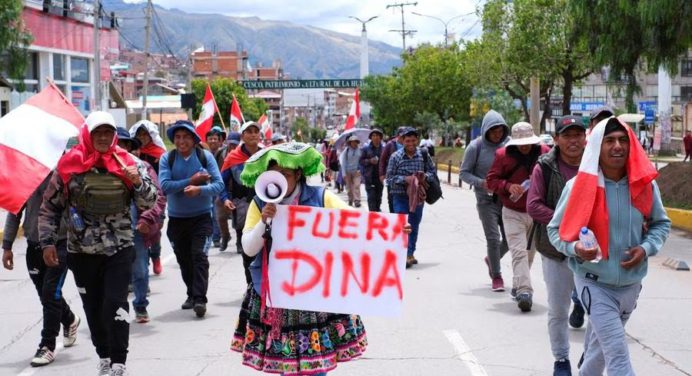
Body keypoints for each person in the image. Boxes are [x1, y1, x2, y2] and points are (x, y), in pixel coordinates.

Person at [231, 142, 381, 375]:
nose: (278, 180)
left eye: (285, 174)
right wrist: (264, 221)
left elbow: (358, 223)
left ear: (298, 173)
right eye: (273, 174)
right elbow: (249, 249)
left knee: (317, 363)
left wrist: (392, 230)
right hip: (278, 295)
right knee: (286, 363)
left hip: (315, 293)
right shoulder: (259, 202)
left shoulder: (321, 197)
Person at [548, 117, 671, 375]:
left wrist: (646, 248)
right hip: (594, 282)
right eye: (610, 141)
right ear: (596, 147)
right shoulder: (577, 187)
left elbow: (660, 224)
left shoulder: (645, 185)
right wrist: (575, 250)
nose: (618, 146)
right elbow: (555, 231)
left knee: (598, 353)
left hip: (631, 286)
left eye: (623, 140)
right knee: (617, 354)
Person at [38, 111, 158, 376]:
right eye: (97, 133)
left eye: (108, 132)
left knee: (115, 304)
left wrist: (137, 182)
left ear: (114, 135)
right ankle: (103, 355)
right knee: (93, 308)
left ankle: (119, 362)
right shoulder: (69, 165)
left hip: (119, 249)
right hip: (81, 251)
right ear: (88, 135)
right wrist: (47, 243)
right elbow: (49, 207)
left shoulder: (129, 163)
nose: (103, 138)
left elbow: (150, 201)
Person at [526, 115, 587, 375]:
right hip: (555, 250)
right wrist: (564, 223)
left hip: (591, 251)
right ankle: (561, 359)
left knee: (600, 311)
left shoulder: (597, 164)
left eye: (578, 135)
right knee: (558, 309)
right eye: (567, 136)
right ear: (557, 140)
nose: (573, 141)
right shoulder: (544, 167)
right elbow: (533, 205)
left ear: (585, 138)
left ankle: (590, 356)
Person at [3, 171, 80, 367]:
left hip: (60, 245)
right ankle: (70, 319)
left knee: (50, 294)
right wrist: (7, 246)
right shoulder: (24, 180)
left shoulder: (64, 176)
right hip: (34, 247)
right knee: (46, 295)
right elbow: (14, 213)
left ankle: (47, 345)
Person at [159, 120, 224, 318]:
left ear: (194, 139)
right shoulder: (167, 158)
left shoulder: (205, 157)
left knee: (199, 257)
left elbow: (219, 185)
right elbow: (165, 186)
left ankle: (200, 299)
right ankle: (191, 293)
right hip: (177, 220)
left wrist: (200, 190)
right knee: (185, 261)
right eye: (177, 137)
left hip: (202, 218)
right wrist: (191, 181)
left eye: (186, 137)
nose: (181, 141)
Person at [487, 122, 550, 312]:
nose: (524, 146)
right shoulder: (502, 155)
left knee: (530, 254)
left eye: (527, 142)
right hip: (512, 211)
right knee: (518, 252)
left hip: (537, 211)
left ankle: (517, 284)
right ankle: (525, 291)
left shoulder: (545, 152)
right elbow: (491, 180)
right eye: (520, 143)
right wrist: (507, 186)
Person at [116, 128, 166, 324]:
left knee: (140, 271)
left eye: (124, 144)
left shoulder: (143, 167)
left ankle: (140, 305)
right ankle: (117, 310)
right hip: (110, 233)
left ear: (129, 147)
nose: (120, 148)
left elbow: (158, 197)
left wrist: (146, 219)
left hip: (138, 230)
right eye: (116, 144)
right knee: (116, 274)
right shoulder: (99, 171)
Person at [460, 110, 511, 292]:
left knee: (510, 239)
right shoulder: (475, 147)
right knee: (493, 238)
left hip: (506, 199)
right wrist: (481, 183)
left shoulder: (509, 145)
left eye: (500, 130)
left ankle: (492, 259)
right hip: (485, 200)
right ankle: (496, 276)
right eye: (493, 130)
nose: (497, 134)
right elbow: (464, 173)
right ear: (486, 130)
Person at [386, 127, 436, 268]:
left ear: (417, 141)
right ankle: (401, 254)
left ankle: (410, 254)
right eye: (407, 140)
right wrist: (406, 179)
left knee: (413, 225)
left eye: (413, 140)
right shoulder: (395, 157)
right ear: (402, 141)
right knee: (403, 225)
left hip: (418, 197)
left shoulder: (423, 155)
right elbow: (389, 179)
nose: (410, 143)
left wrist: (424, 177)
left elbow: (432, 172)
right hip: (400, 196)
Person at [220, 121, 262, 282]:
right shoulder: (232, 157)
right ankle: (250, 284)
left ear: (260, 135)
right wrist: (224, 199)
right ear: (242, 136)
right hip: (243, 206)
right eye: (249, 131)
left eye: (255, 131)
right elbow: (221, 181)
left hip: (265, 206)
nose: (252, 134)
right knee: (248, 249)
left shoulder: (267, 155)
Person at [129, 119, 167, 275]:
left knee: (155, 231)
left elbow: (164, 177)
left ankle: (156, 256)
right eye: (140, 135)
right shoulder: (131, 154)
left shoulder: (160, 155)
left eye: (146, 134)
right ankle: (139, 272)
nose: (143, 137)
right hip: (135, 198)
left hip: (156, 197)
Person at [214, 131, 241, 252]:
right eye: (231, 144)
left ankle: (239, 241)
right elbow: (214, 168)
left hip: (237, 191)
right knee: (220, 216)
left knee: (238, 218)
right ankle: (225, 236)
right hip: (222, 189)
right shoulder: (220, 153)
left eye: (235, 144)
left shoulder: (242, 156)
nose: (233, 147)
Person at [206, 127, 226, 248]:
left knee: (217, 213)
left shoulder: (224, 154)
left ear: (220, 141)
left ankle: (217, 236)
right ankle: (214, 236)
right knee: (210, 213)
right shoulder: (203, 153)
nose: (213, 141)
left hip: (219, 187)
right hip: (206, 187)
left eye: (215, 139)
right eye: (210, 139)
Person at [379, 126, 406, 212]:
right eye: (402, 136)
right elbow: (382, 160)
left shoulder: (408, 145)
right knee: (391, 198)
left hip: (405, 176)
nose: (404, 138)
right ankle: (393, 215)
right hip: (392, 176)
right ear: (398, 136)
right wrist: (382, 174)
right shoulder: (390, 145)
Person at [360, 129, 385, 212]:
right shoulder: (366, 148)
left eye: (377, 135)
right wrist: (369, 161)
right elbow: (361, 161)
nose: (375, 137)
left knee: (378, 198)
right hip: (369, 177)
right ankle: (372, 215)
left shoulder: (384, 148)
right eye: (373, 135)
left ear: (380, 137)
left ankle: (377, 211)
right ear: (371, 137)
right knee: (371, 198)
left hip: (380, 177)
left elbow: (387, 161)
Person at [340, 135, 362, 207]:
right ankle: (350, 198)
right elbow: (343, 163)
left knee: (357, 185)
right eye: (352, 142)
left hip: (356, 171)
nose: (354, 143)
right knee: (349, 188)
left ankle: (357, 200)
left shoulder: (360, 150)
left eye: (355, 142)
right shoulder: (346, 151)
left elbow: (361, 161)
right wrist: (343, 173)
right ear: (350, 143)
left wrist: (360, 169)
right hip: (347, 172)